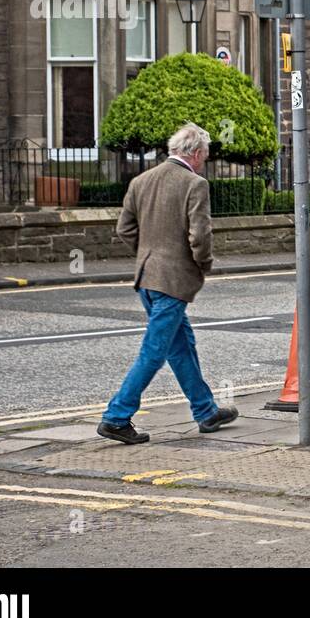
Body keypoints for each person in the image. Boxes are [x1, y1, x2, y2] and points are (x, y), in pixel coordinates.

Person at [98, 122, 238, 444]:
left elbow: (124, 229)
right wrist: (202, 264)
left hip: (146, 278)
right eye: (206, 154)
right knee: (154, 352)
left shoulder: (141, 180)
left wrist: (148, 255)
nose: (206, 159)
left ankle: (206, 411)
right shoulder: (195, 184)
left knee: (181, 347)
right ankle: (116, 417)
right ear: (198, 153)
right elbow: (200, 236)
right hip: (172, 282)